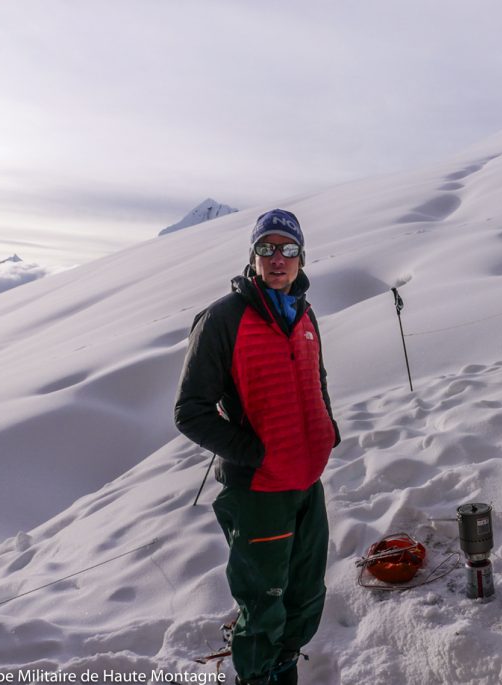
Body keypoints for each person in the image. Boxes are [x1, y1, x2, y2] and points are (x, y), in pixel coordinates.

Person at [174, 209, 340, 685]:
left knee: (305, 596)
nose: (277, 258)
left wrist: (328, 432)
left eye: (287, 248)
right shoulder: (224, 319)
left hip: (307, 483)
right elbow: (190, 411)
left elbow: (316, 379)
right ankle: (259, 676)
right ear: (253, 256)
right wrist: (257, 454)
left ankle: (284, 667)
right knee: (262, 602)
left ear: (301, 257)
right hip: (259, 492)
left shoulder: (304, 314)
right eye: (266, 248)